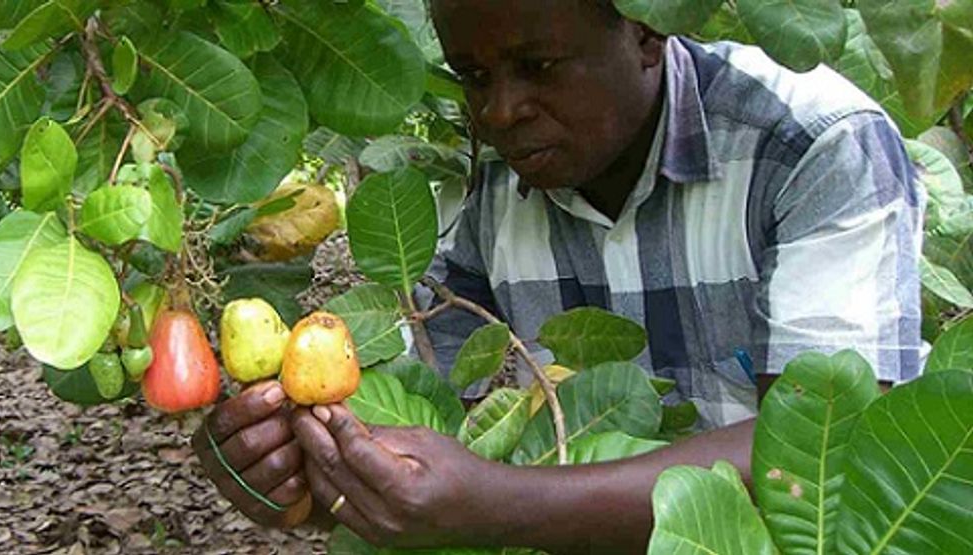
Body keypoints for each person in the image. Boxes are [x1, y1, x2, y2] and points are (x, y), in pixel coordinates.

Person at [191, 0, 923, 552]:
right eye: (474, 77)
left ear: (645, 32)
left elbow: (827, 453)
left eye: (538, 67)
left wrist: (502, 504)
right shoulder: (487, 191)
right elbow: (429, 450)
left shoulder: (812, 145)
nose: (500, 111)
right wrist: (299, 474)